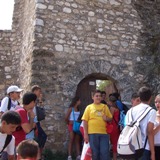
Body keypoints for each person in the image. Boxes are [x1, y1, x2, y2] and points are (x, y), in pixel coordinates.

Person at [125, 86, 156, 160]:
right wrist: (153, 152)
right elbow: (149, 132)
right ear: (150, 97)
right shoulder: (151, 111)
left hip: (130, 146)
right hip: (144, 147)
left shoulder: (130, 111)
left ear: (139, 97)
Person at [82, 90, 112, 160]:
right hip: (92, 133)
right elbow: (85, 121)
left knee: (104, 153)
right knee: (94, 153)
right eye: (96, 96)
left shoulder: (105, 107)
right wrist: (85, 134)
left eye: (100, 96)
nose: (98, 97)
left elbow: (110, 118)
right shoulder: (89, 107)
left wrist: (106, 119)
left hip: (104, 133)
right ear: (93, 97)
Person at [31, 85, 47, 159]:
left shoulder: (35, 100)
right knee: (40, 137)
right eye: (39, 91)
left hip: (36, 121)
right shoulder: (31, 99)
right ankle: (38, 154)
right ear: (35, 91)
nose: (40, 93)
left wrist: (40, 100)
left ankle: (39, 154)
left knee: (41, 137)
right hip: (33, 121)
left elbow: (40, 109)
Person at [108, 95, 120, 160]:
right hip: (116, 126)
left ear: (110, 101)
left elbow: (110, 118)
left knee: (113, 142)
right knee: (116, 141)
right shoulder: (117, 108)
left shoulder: (112, 108)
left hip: (112, 126)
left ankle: (114, 157)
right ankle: (115, 156)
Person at [153, 94, 160, 160]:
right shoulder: (153, 115)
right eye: (156, 102)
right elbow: (151, 133)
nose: (157, 104)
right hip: (155, 146)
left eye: (159, 102)